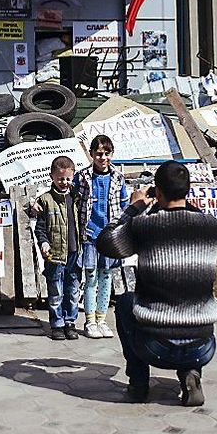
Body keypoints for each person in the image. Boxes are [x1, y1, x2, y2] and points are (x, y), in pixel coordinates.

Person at [97, 161, 217, 406]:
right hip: (203, 346)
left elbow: (105, 241)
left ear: (157, 192)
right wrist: (194, 211)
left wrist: (133, 208)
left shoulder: (144, 226)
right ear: (188, 191)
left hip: (154, 346)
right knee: (196, 300)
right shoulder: (211, 226)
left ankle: (138, 383)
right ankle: (191, 373)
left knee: (125, 301)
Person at [74, 135, 128, 339]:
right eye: (98, 154)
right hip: (90, 235)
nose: (102, 158)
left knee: (106, 277)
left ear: (111, 154)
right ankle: (89, 321)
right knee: (90, 278)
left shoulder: (118, 178)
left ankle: (102, 319)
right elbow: (73, 200)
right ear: (91, 154)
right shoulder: (83, 176)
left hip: (110, 236)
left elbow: (124, 207)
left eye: (106, 154)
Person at [34, 156, 84, 341]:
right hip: (54, 255)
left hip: (74, 253)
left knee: (72, 291)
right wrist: (44, 243)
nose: (64, 182)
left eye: (68, 179)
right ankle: (57, 324)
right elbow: (40, 227)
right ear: (52, 177)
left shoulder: (77, 197)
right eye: (60, 179)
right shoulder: (45, 200)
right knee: (55, 292)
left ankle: (70, 322)